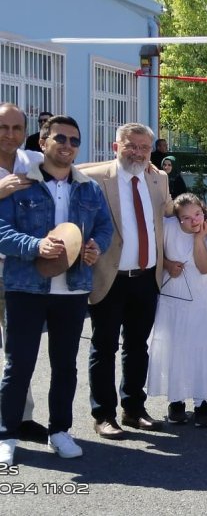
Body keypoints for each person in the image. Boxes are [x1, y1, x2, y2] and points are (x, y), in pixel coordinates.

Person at [0, 115, 113, 466]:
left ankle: (60, 431)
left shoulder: (89, 187)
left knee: (65, 365)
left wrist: (95, 247)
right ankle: (7, 434)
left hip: (73, 289)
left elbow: (104, 227)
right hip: (26, 287)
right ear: (43, 142)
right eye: (60, 138)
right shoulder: (21, 184)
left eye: (74, 141)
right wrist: (35, 246)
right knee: (19, 365)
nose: (67, 146)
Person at [83, 123, 172, 439]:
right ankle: (104, 414)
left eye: (144, 147)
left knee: (137, 348)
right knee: (103, 347)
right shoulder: (93, 178)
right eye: (131, 145)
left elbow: (170, 213)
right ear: (115, 146)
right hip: (110, 278)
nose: (137, 152)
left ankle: (134, 409)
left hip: (147, 278)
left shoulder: (158, 178)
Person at [146, 193, 207, 428]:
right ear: (177, 219)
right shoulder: (168, 227)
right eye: (187, 218)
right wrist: (169, 265)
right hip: (173, 297)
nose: (194, 221)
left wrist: (199, 238)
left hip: (201, 297)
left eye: (198, 214)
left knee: (201, 345)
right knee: (175, 346)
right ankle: (176, 401)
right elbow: (156, 253)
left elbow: (203, 267)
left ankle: (201, 401)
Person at [0, 103, 49, 443]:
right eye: (3, 127)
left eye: (16, 128)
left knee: (18, 351)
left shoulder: (32, 161)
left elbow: (72, 170)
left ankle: (20, 417)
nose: (10, 135)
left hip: (19, 271)